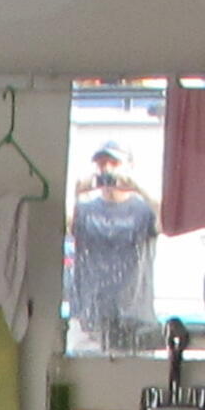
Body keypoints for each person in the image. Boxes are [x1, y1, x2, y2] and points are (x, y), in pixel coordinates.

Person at [68, 145, 161, 349]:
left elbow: (167, 222)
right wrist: (75, 190)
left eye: (114, 164)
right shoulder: (83, 210)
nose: (107, 170)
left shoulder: (144, 211)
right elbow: (62, 223)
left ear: (129, 167)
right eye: (101, 164)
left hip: (135, 319)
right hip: (90, 320)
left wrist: (139, 188)